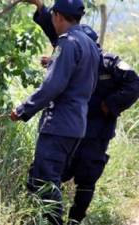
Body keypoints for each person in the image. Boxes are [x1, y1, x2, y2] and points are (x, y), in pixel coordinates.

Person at [22, 0, 139, 224]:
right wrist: (41, 9)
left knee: (87, 175)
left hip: (96, 128)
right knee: (47, 174)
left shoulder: (107, 61)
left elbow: (134, 83)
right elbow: (59, 29)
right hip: (73, 124)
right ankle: (42, 216)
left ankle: (74, 220)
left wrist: (108, 106)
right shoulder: (74, 46)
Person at [9, 0, 100, 224]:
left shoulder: (68, 43)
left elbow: (52, 86)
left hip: (59, 124)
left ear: (58, 16)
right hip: (76, 125)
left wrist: (22, 109)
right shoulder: (89, 44)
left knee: (45, 182)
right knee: (41, 179)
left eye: (52, 16)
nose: (52, 19)